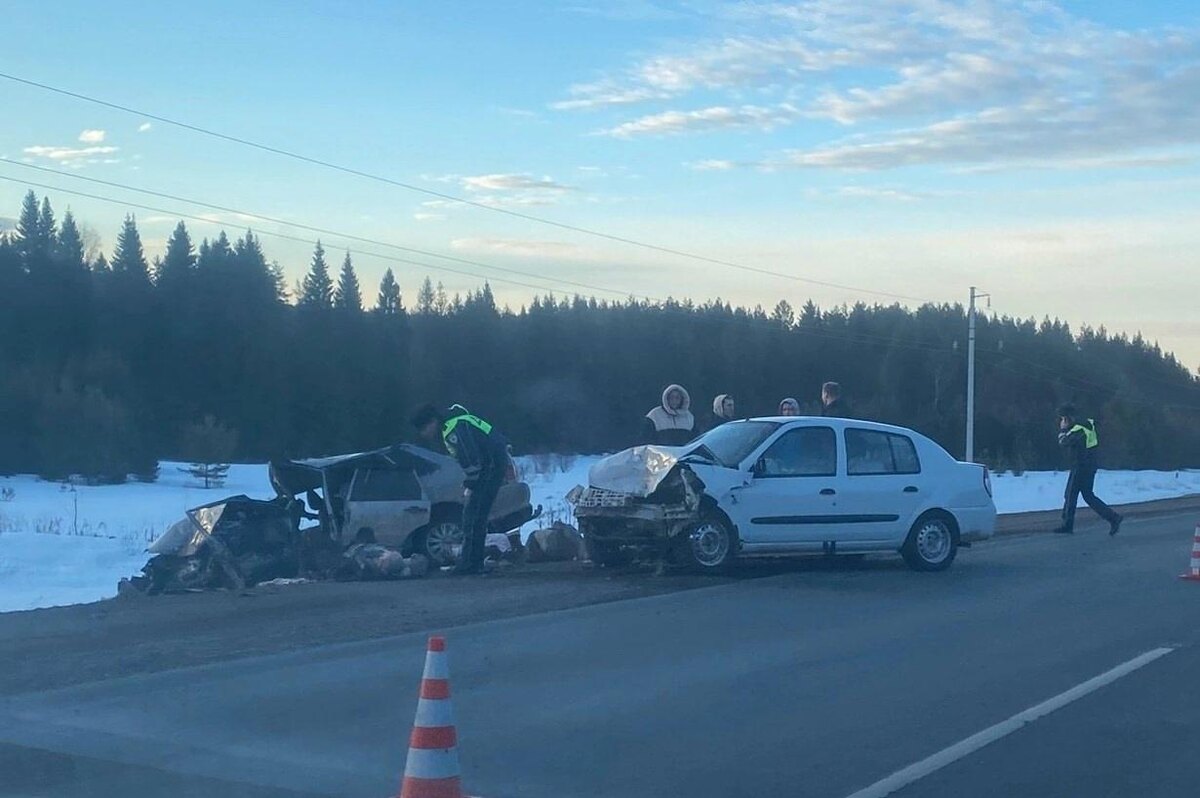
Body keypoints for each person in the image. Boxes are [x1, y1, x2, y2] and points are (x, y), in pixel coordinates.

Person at [412, 403, 510, 574]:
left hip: (490, 467)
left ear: (431, 423)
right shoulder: (457, 421)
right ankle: (473, 562)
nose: (424, 435)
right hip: (492, 464)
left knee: (473, 517)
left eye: (423, 430)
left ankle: (470, 564)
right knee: (475, 517)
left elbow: (471, 460)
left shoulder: (452, 429)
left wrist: (470, 486)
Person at [1055, 405, 1122, 536]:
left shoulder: (1078, 429)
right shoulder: (1086, 424)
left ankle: (1067, 525)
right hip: (1089, 465)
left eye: (1063, 418)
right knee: (1087, 495)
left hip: (1081, 466)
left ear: (1069, 418)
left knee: (1070, 495)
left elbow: (1064, 442)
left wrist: (1063, 431)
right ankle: (1113, 518)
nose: (1061, 421)